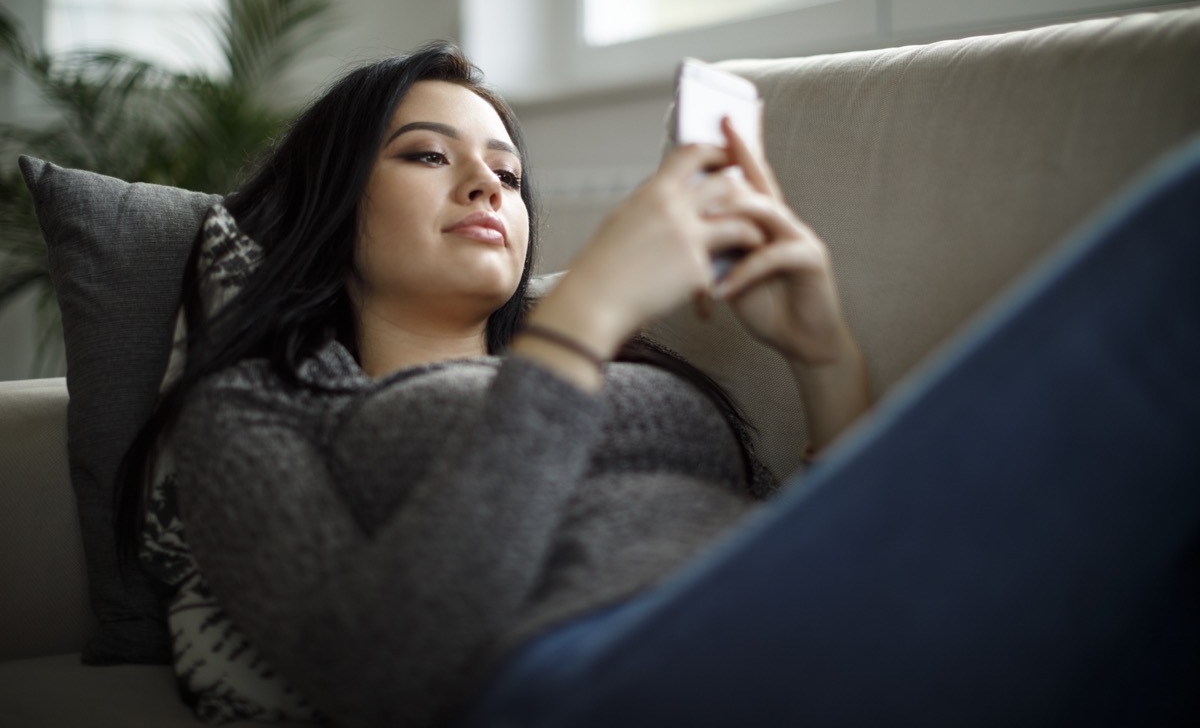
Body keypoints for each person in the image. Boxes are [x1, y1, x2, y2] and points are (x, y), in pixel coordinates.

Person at [117, 41, 1200, 727]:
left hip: (803, 612)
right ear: (330, 204)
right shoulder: (256, 406)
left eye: (505, 165)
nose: (488, 178)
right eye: (426, 155)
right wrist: (583, 323)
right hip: (602, 670)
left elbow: (804, 534)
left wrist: (824, 357)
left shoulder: (604, 356)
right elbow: (380, 667)